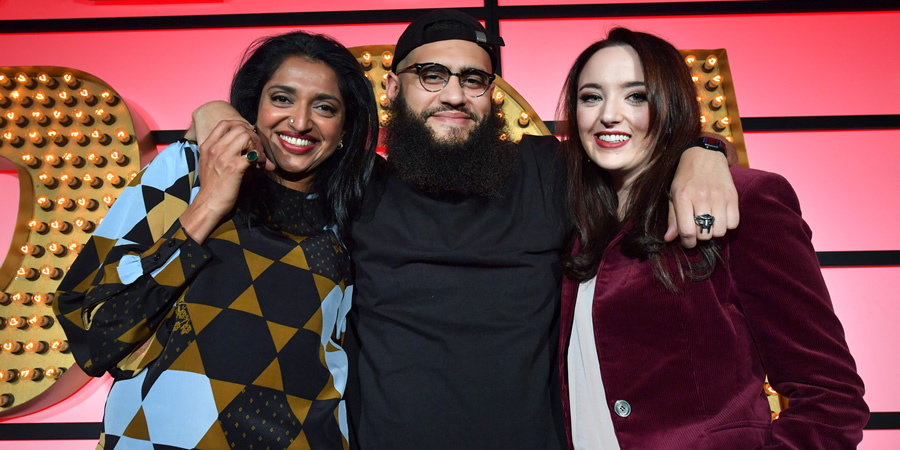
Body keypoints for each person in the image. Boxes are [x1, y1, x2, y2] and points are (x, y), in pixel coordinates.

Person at [190, 10, 740, 449]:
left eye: (473, 79)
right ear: (392, 87)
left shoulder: (547, 170)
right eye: (432, 75)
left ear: (491, 93)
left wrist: (703, 150)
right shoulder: (353, 183)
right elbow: (274, 139)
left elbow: (638, 158)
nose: (454, 95)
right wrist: (217, 112)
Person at [53, 30, 378, 449]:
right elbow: (98, 334)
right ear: (254, 107)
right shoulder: (187, 169)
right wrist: (207, 204)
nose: (299, 121)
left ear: (345, 128)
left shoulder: (354, 212)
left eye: (324, 107)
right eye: (281, 98)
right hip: (163, 437)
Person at [556, 27, 868, 449]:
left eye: (636, 96)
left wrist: (702, 148)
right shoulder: (570, 223)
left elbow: (831, 397)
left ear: (672, 104)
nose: (609, 114)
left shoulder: (744, 202)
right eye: (591, 97)